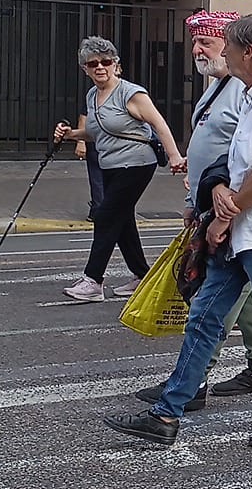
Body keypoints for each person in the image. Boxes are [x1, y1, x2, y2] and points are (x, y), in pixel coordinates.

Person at [105, 14, 252, 449]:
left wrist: (225, 214)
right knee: (205, 316)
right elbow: (241, 159)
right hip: (243, 228)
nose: (221, 52)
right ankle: (167, 413)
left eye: (226, 45)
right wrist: (220, 187)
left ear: (248, 52)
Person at [51, 36, 186, 302]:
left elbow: (160, 125)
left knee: (105, 215)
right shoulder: (93, 95)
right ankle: (141, 276)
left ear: (116, 65)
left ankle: (93, 280)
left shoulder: (131, 93)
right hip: (110, 165)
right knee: (123, 221)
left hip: (136, 163)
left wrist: (174, 157)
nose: (100, 67)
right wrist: (70, 134)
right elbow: (94, 132)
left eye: (106, 61)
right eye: (93, 64)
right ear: (85, 69)